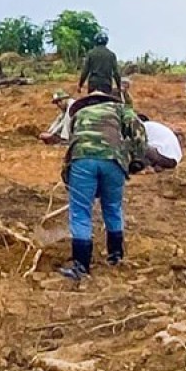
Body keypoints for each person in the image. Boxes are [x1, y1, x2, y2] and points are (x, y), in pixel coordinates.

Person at [57, 91, 147, 280]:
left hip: (83, 160)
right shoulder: (120, 108)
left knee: (81, 211)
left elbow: (73, 140)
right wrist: (138, 159)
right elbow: (138, 129)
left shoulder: (80, 114)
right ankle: (116, 256)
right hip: (113, 161)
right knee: (113, 207)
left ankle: (81, 266)